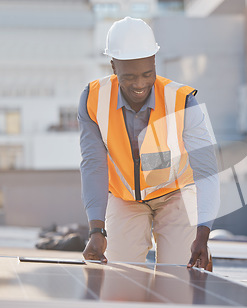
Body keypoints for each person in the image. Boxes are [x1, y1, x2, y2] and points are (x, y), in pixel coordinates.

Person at [78, 17, 220, 270]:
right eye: (129, 76)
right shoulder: (93, 99)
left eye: (147, 74)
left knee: (179, 276)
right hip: (124, 198)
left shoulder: (182, 100)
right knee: (119, 276)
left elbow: (207, 170)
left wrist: (203, 233)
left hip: (174, 194)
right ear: (113, 66)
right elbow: (93, 165)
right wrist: (96, 229)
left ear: (155, 61)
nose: (140, 84)